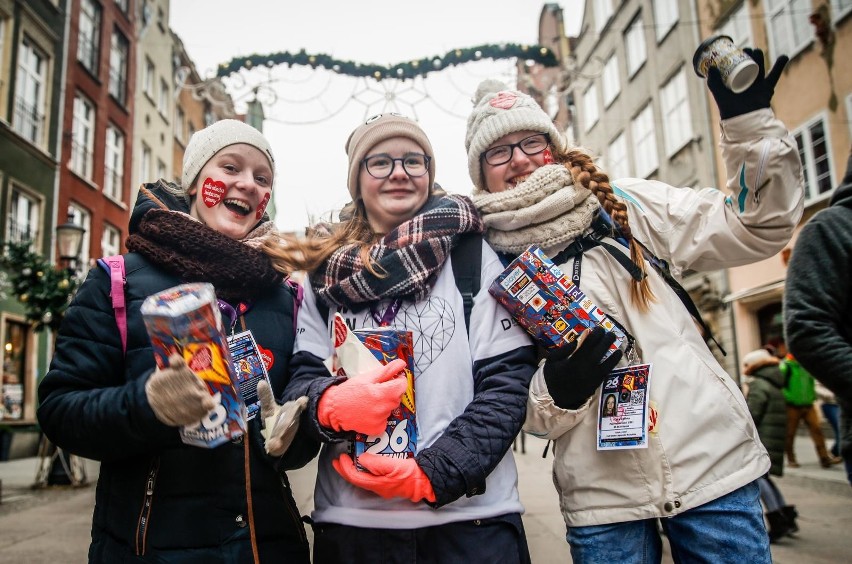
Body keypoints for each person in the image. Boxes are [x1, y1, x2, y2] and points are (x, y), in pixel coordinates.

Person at [465, 44, 803, 563]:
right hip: (604, 502)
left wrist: (749, 128)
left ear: (553, 147)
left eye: (531, 141)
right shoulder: (488, 261)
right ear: (480, 172)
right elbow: (504, 401)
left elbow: (754, 227)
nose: (520, 160)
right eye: (498, 152)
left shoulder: (622, 202)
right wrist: (556, 390)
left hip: (709, 468)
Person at [37, 120, 317, 562]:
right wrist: (146, 407)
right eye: (230, 166)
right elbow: (59, 410)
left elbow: (299, 431)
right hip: (150, 549)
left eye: (262, 178)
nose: (246, 183)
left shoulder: (285, 296)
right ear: (193, 180)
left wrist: (295, 434)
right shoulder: (119, 281)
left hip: (266, 548)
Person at [265, 114, 538, 563]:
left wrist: (435, 472)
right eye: (380, 162)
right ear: (357, 179)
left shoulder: (471, 255)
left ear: (429, 173)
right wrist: (325, 404)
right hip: (354, 526)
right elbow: (301, 381)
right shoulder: (320, 275)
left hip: (472, 524)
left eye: (414, 160)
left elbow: (506, 387)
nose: (399, 172)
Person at [784, 148, 852, 486]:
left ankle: (822, 455)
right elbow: (807, 330)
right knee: (798, 431)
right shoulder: (833, 227)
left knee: (813, 430)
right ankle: (797, 458)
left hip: (808, 400)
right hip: (802, 402)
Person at [741, 349, 798, 541]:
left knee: (759, 477)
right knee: (765, 477)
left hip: (762, 438)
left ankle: (777, 519)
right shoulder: (774, 382)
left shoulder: (759, 384)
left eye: (746, 365)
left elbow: (752, 414)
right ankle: (786, 515)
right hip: (772, 436)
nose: (744, 369)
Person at [780, 352, 842, 468]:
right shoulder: (785, 366)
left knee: (817, 430)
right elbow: (780, 385)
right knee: (790, 433)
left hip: (808, 404)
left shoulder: (805, 366)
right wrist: (788, 398)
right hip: (792, 405)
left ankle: (825, 458)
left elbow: (811, 382)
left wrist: (812, 397)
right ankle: (791, 459)